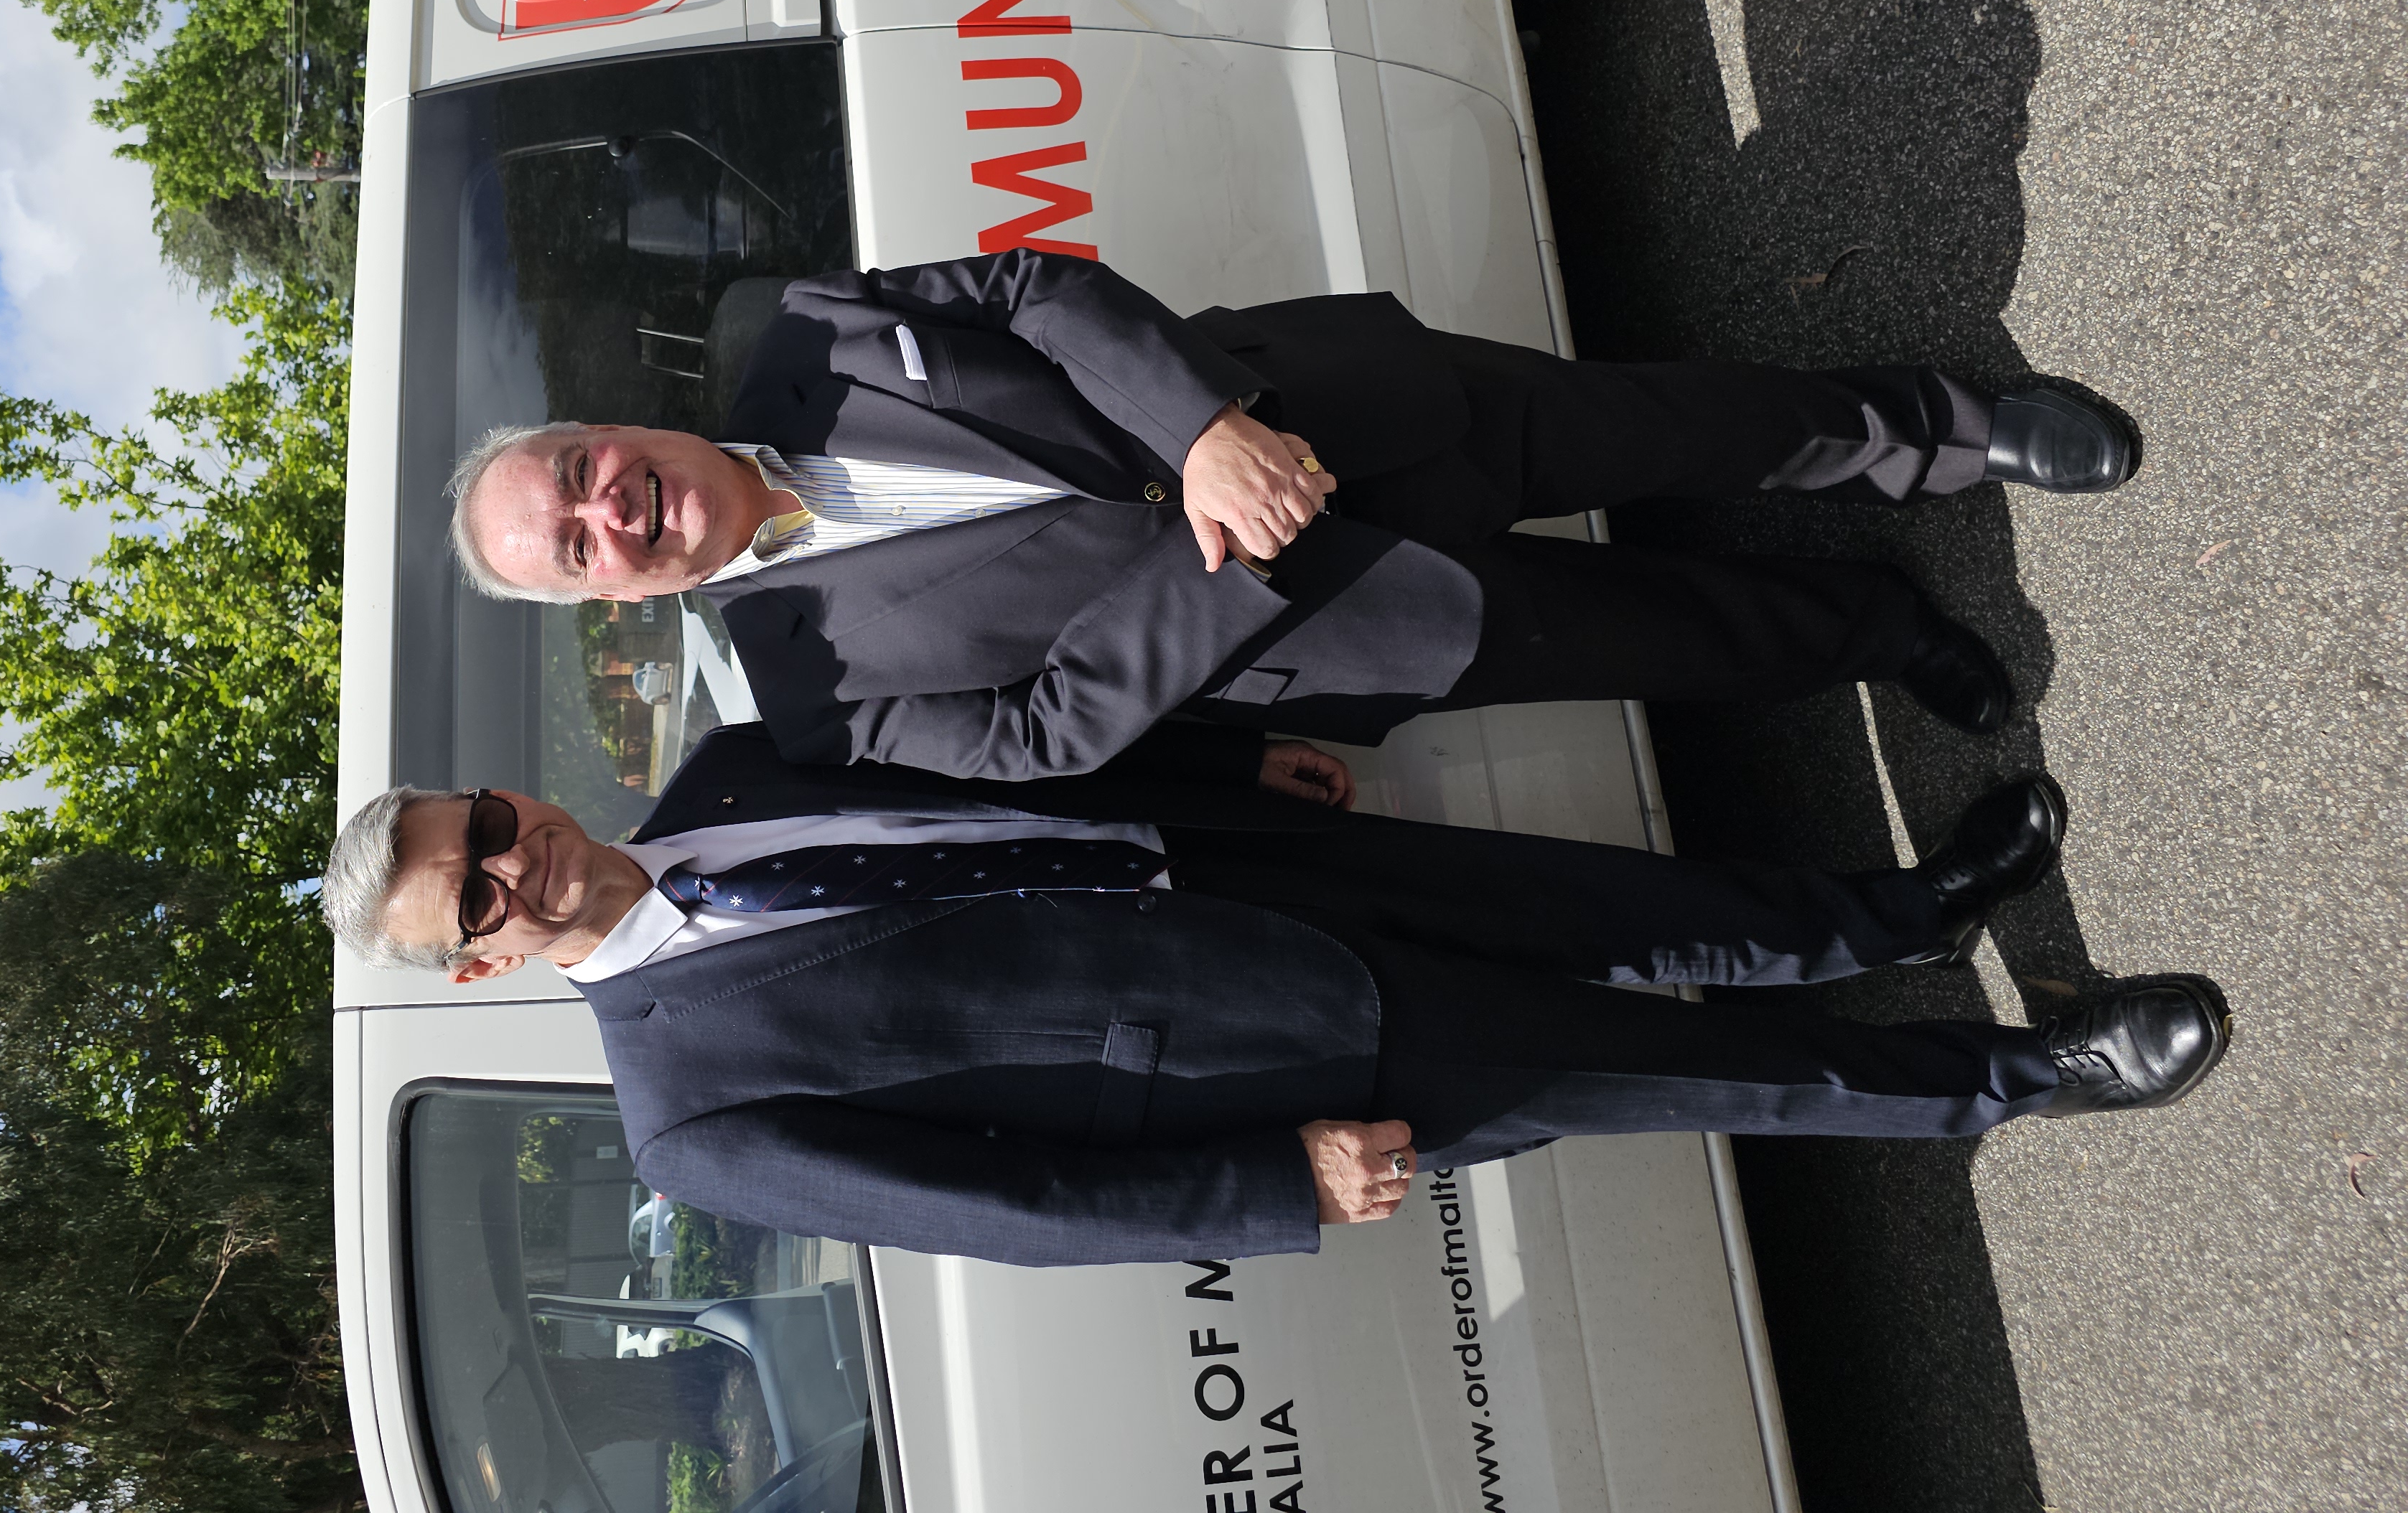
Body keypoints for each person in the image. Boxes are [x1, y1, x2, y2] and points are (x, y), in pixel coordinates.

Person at [322, 726, 2228, 1268]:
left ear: (509, 788)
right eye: (471, 901)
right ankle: (2023, 1072)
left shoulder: (729, 781)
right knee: (1688, 1068)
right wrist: (1268, 1187)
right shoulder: (691, 1124)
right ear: (483, 964)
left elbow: (1000, 768)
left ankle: (1904, 902)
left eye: (482, 824)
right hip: (1284, 1056)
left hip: (1255, 871)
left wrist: (1230, 773)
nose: (509, 866)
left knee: (1626, 905)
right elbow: (999, 1207)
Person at [446, 251, 2138, 780]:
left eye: (579, 475)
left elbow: (1030, 289)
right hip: (1314, 622)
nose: (611, 512)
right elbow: (1039, 739)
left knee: (1675, 426)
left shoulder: (786, 332)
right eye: (577, 546)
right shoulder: (794, 692)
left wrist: (1199, 433)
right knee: (1661, 642)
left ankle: (1946, 429)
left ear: (605, 427)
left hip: (1323, 409)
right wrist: (1226, 542)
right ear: (604, 600)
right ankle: (1880, 631)